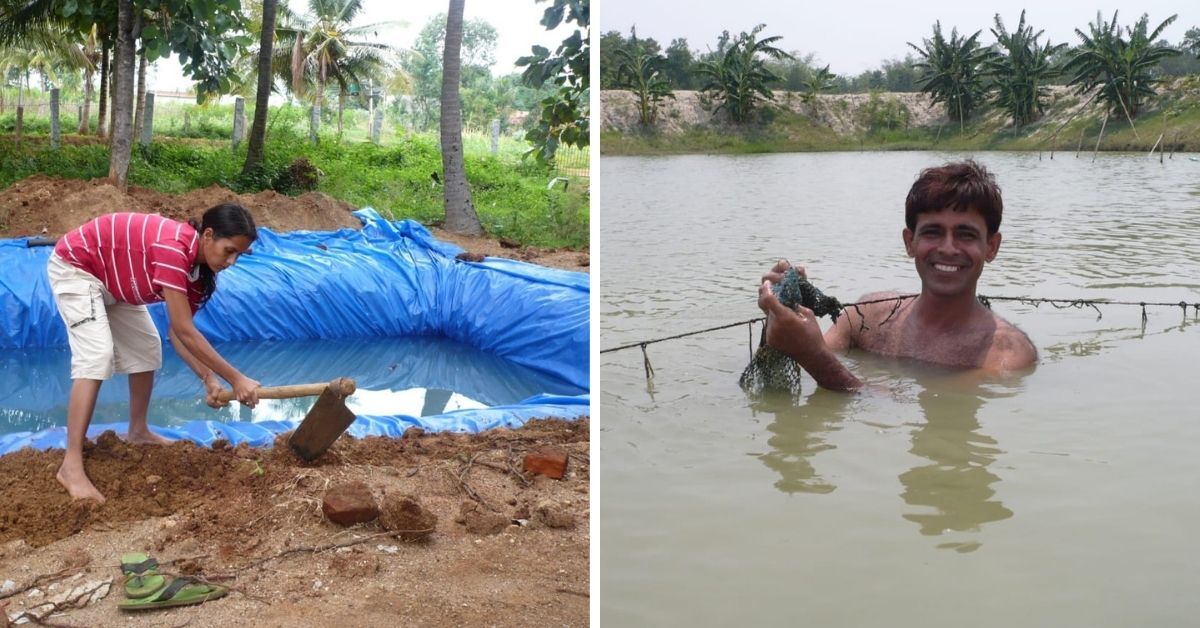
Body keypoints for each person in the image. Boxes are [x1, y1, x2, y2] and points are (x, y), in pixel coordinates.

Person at [757, 160, 1037, 392]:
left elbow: (934, 411)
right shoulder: (867, 318)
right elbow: (810, 354)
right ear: (909, 242)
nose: (948, 248)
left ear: (991, 247)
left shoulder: (1006, 354)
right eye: (933, 232)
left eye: (965, 235)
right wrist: (783, 311)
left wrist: (814, 357)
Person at [46, 204, 262, 502]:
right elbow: (184, 329)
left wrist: (209, 379)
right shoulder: (174, 250)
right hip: (78, 267)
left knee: (147, 348)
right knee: (97, 356)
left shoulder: (199, 274)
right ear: (208, 235)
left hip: (114, 281)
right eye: (229, 250)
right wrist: (237, 379)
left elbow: (176, 334)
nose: (232, 261)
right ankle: (70, 465)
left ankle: (138, 430)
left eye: (239, 254)